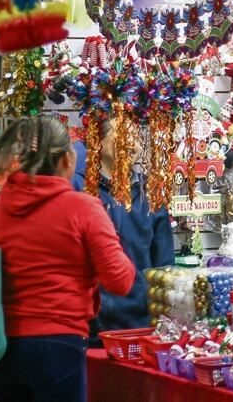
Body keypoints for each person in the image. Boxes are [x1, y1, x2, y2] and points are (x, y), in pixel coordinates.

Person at [0, 116, 135, 402]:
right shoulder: (84, 208)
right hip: (61, 346)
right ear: (66, 160)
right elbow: (120, 281)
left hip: (2, 348)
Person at [89, 119, 176, 336]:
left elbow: (164, 267)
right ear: (99, 142)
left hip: (141, 324)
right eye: (122, 135)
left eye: (136, 137)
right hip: (93, 326)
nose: (132, 144)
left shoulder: (151, 195)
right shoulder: (84, 193)